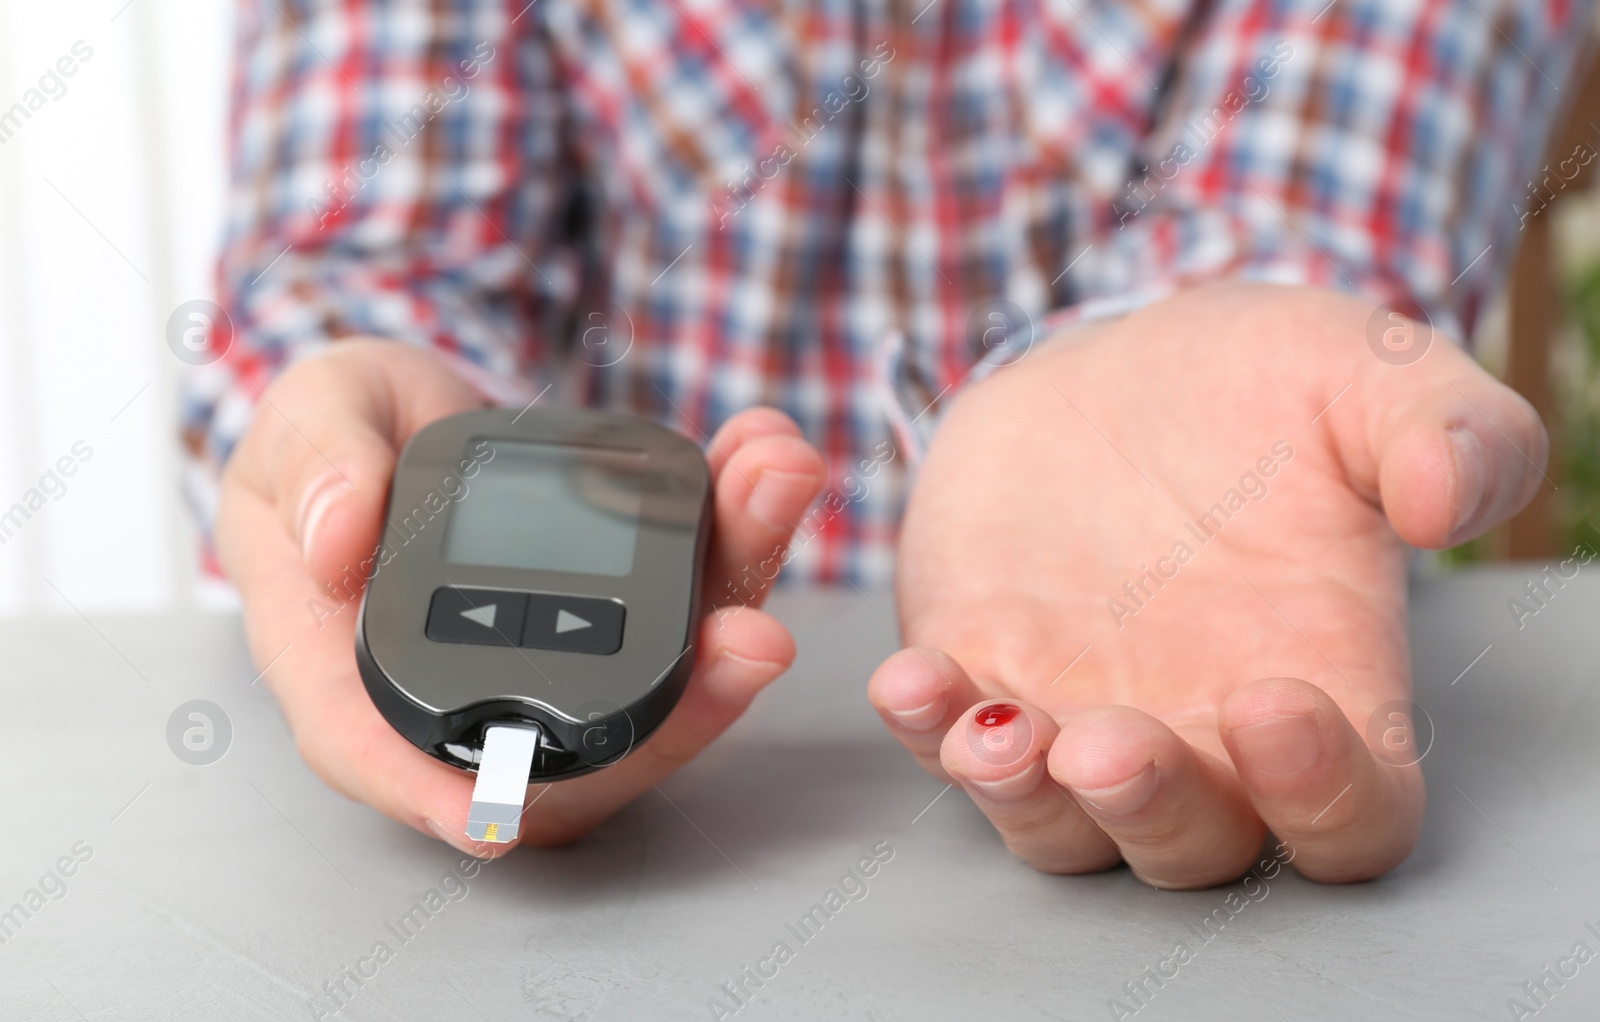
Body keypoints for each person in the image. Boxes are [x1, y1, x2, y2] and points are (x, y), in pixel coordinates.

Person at [187, 0, 1583, 888]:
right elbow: (366, 253)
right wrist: (347, 398)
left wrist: (1228, 357)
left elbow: (1305, 203)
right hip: (710, 743)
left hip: (1194, 645)